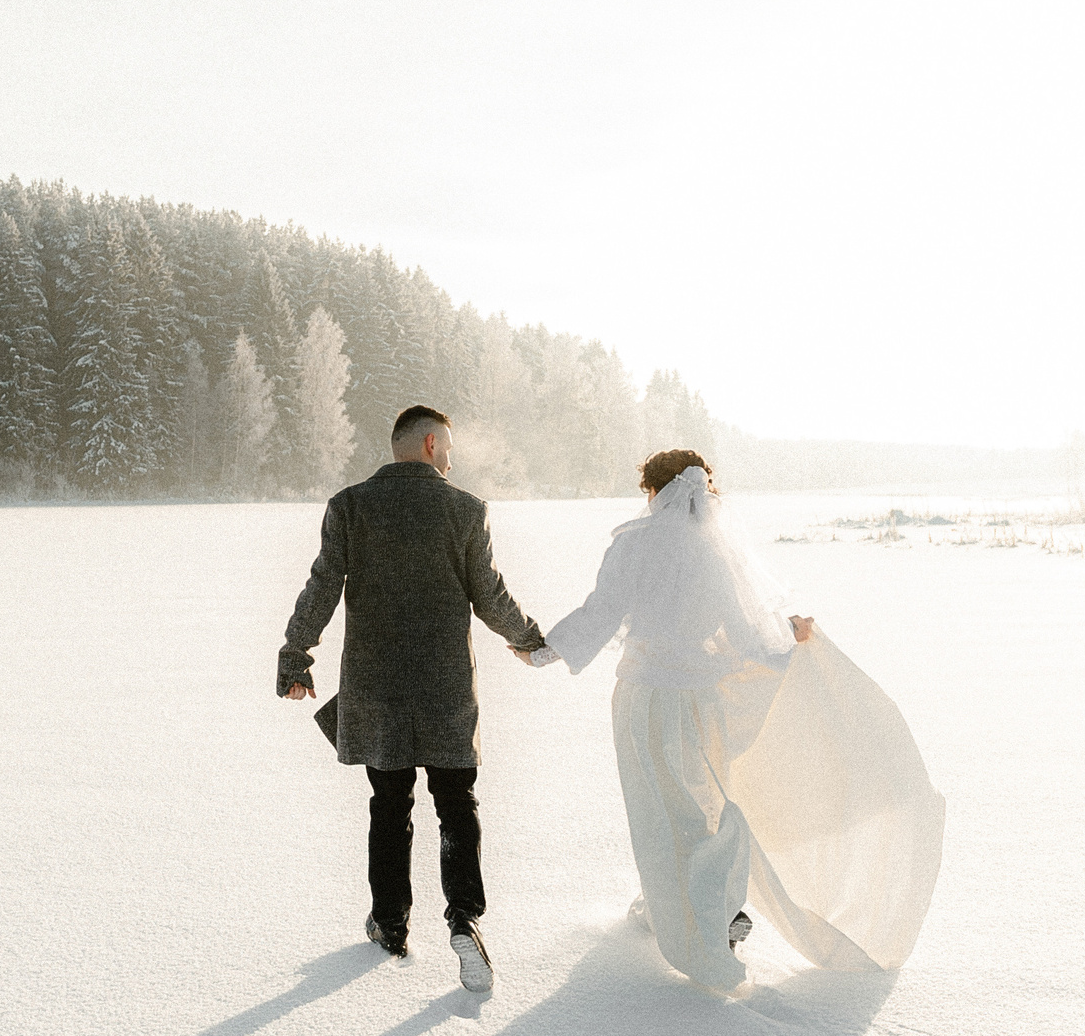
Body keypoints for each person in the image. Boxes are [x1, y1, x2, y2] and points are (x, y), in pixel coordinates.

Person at [532, 449, 947, 993]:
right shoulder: (717, 552)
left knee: (660, 810)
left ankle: (704, 923)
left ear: (655, 491)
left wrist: (542, 650)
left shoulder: (634, 543)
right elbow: (752, 635)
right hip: (705, 701)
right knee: (701, 801)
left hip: (649, 700)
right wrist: (790, 627)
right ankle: (687, 904)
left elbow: (600, 613)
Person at [279, 405, 547, 994]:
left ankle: (392, 922)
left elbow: (322, 584)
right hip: (446, 684)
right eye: (448, 447)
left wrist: (297, 653)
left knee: (389, 804)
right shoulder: (465, 509)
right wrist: (529, 639)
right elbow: (490, 595)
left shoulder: (350, 506)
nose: (451, 458)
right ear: (429, 443)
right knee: (457, 802)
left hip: (378, 687)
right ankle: (464, 919)